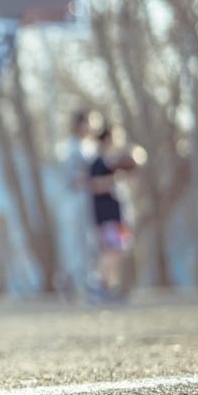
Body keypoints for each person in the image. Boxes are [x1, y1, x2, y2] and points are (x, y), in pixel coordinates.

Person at [88, 124, 134, 300]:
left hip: (117, 215)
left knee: (119, 250)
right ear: (107, 139)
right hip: (107, 215)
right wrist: (113, 180)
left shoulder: (115, 162)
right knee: (111, 251)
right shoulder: (99, 162)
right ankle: (99, 284)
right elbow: (94, 185)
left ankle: (110, 287)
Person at [56, 110, 94, 299]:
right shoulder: (70, 148)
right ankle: (71, 281)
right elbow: (72, 177)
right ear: (80, 124)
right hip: (73, 201)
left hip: (85, 200)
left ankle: (82, 281)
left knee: (87, 243)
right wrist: (94, 179)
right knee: (75, 243)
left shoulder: (88, 146)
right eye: (89, 123)